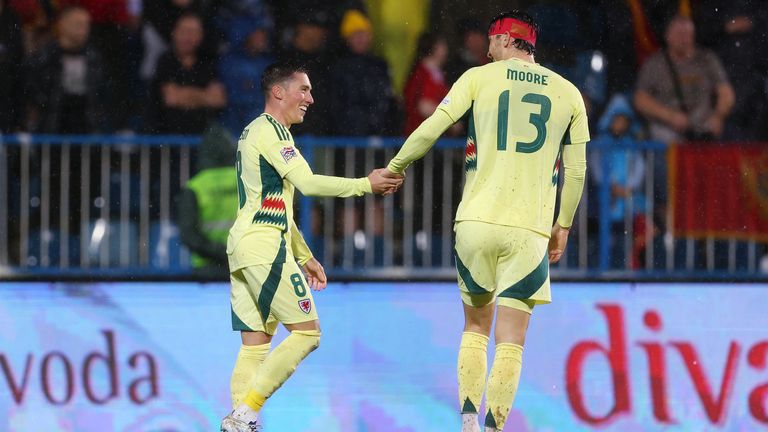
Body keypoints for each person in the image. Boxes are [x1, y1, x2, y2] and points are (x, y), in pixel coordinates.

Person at [384, 10, 588, 431]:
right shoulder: (569, 93)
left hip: (476, 222)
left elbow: (433, 126)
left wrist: (396, 166)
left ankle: (468, 421)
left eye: (492, 42)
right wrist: (562, 224)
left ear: (505, 40)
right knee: (511, 340)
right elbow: (578, 169)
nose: (487, 50)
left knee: (476, 326)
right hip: (529, 230)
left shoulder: (479, 79)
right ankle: (495, 427)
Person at [220, 61, 402, 432]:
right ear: (278, 92)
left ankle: (239, 421)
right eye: (303, 90)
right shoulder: (272, 133)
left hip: (245, 243)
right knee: (307, 332)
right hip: (264, 246)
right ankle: (245, 413)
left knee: (255, 346)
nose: (311, 98)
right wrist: (365, 185)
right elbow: (309, 184)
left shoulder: (251, 132)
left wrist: (304, 255)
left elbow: (277, 205)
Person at [146, 12, 226, 134]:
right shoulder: (165, 61)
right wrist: (204, 96)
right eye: (184, 31)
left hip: (201, 139)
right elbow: (171, 98)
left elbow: (217, 100)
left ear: (201, 35)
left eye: (193, 32)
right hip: (167, 138)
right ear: (174, 32)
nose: (188, 37)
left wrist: (183, 95)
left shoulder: (207, 63)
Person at [177, 124, 239, 276]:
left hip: (208, 270)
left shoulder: (195, 187)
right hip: (245, 266)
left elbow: (188, 235)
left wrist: (220, 253)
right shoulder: (248, 181)